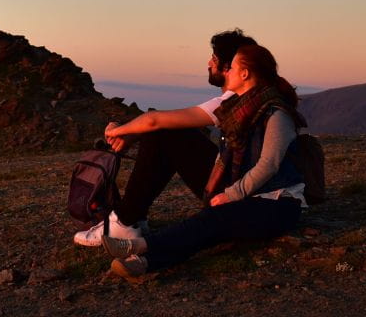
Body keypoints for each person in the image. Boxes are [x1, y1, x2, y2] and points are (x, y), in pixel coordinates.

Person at [102, 44, 307, 281]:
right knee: (214, 221)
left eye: (232, 68)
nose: (226, 72)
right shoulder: (235, 111)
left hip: (278, 203)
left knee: (215, 220)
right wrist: (216, 190)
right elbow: (225, 155)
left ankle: (140, 249)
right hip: (248, 194)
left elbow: (268, 164)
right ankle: (142, 262)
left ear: (245, 74)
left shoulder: (276, 113)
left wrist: (231, 194)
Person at [74, 28, 257, 247]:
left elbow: (155, 121)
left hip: (238, 196)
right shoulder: (255, 97)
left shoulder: (235, 102)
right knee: (165, 132)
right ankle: (133, 218)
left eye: (214, 58)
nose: (209, 63)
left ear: (230, 67)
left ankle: (124, 221)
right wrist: (134, 136)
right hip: (246, 189)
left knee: (164, 131)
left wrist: (117, 131)